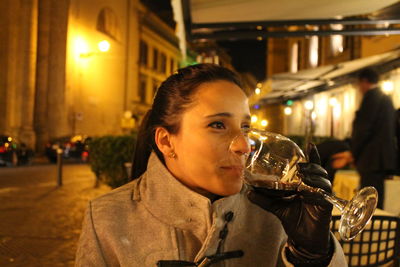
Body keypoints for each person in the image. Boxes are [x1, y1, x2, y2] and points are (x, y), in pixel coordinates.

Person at [75, 64, 346, 266]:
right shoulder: (108, 218)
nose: (244, 145)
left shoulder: (274, 215)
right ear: (166, 141)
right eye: (217, 125)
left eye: (245, 127)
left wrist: (312, 255)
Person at [351, 68, 397, 209]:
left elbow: (364, 129)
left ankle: (370, 228)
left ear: (364, 82)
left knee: (369, 199)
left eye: (359, 85)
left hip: (371, 158)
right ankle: (378, 228)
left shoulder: (371, 97)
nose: (359, 88)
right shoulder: (387, 99)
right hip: (383, 159)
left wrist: (354, 152)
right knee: (378, 197)